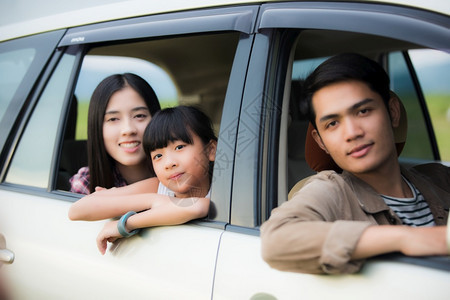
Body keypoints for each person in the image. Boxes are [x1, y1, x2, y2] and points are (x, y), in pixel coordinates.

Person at [260, 53, 449, 274]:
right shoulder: (330, 191)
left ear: (393, 112)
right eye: (332, 123)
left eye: (363, 111)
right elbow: (277, 240)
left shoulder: (439, 177)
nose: (352, 133)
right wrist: (408, 238)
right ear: (321, 142)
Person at [68, 105, 217, 254]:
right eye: (158, 156)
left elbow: (198, 207)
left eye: (179, 147)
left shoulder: (224, 191)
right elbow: (76, 210)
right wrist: (152, 200)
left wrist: (125, 224)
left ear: (211, 150)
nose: (169, 163)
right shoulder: (158, 188)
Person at [69, 73, 161, 194]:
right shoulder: (86, 183)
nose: (128, 129)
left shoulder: (178, 170)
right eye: (113, 119)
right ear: (97, 128)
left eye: (139, 116)